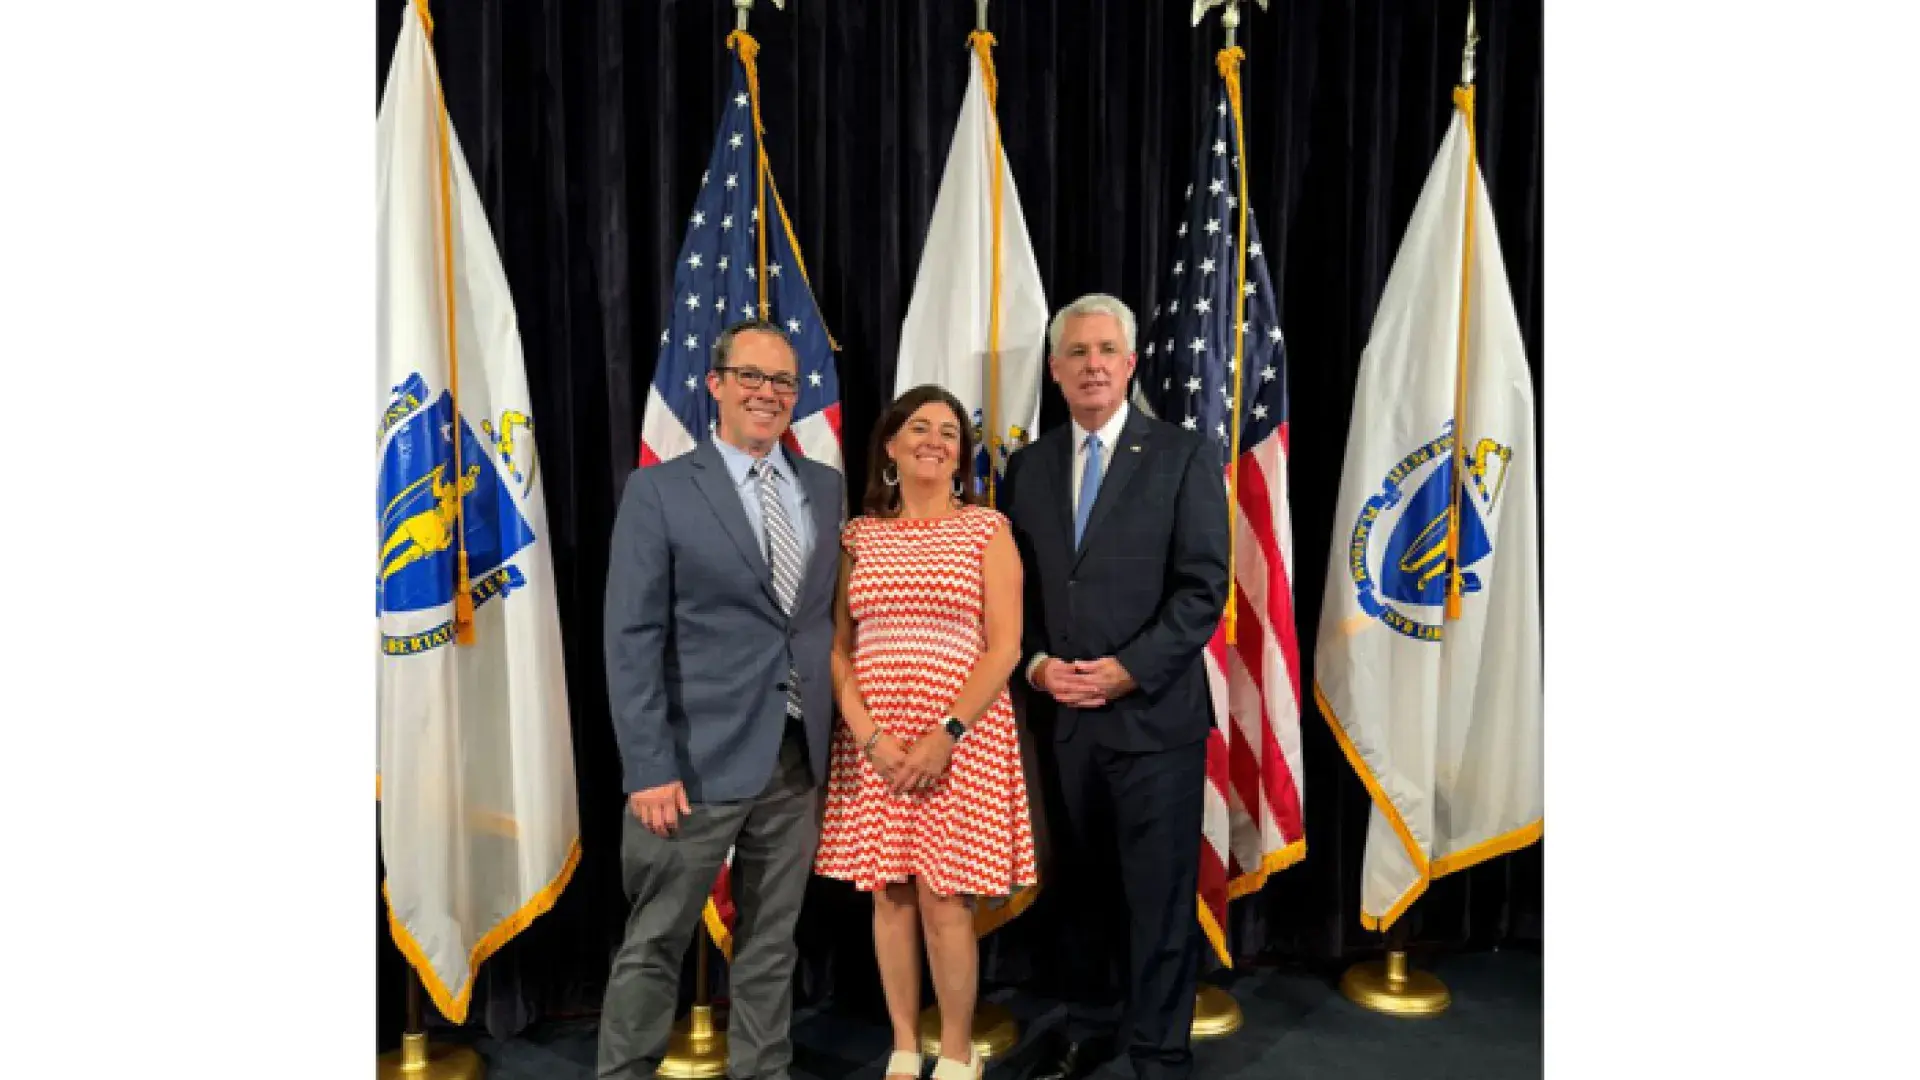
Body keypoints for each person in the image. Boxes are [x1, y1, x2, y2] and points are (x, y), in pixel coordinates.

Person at [598, 320, 844, 1080]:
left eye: (782, 382)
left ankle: (761, 1073)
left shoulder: (826, 489)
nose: (767, 394)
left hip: (797, 757)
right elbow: (631, 637)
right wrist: (647, 767)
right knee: (654, 944)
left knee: (772, 944)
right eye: (751, 377)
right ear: (715, 385)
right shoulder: (660, 490)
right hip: (690, 766)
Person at [999, 294, 1230, 1080]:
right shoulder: (1026, 468)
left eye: (1107, 351)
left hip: (1153, 720)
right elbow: (1013, 598)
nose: (1093, 364)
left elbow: (1203, 588)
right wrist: (1033, 665)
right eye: (1078, 353)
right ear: (1057, 371)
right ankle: (1088, 1027)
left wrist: (1132, 667)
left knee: (1159, 899)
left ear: (1130, 365)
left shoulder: (1185, 456)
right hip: (1063, 723)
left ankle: (1160, 1053)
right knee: (1083, 898)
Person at [813, 384, 1037, 1080]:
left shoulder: (987, 530)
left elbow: (1005, 646)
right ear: (890, 444)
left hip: (961, 738)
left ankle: (958, 1053)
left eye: (948, 431)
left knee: (946, 898)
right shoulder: (857, 536)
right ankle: (905, 1045)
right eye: (919, 427)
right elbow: (836, 645)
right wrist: (872, 738)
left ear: (960, 454)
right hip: (875, 739)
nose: (934, 440)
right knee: (891, 892)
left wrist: (945, 733)